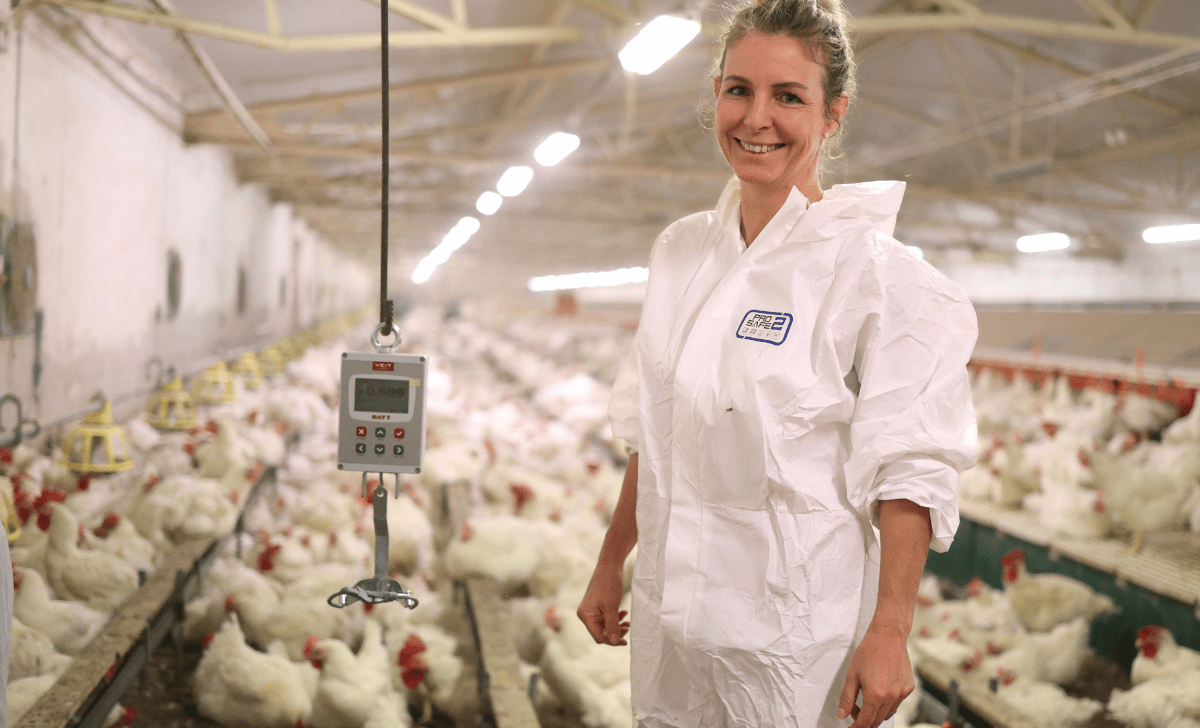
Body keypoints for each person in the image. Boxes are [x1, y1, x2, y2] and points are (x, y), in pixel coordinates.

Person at [576, 1, 978, 727]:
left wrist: (890, 631)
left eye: (788, 96)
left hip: (793, 642)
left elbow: (910, 470)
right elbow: (656, 429)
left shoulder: (881, 278)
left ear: (833, 115)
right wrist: (612, 564)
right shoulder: (681, 252)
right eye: (738, 89)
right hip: (671, 625)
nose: (755, 118)